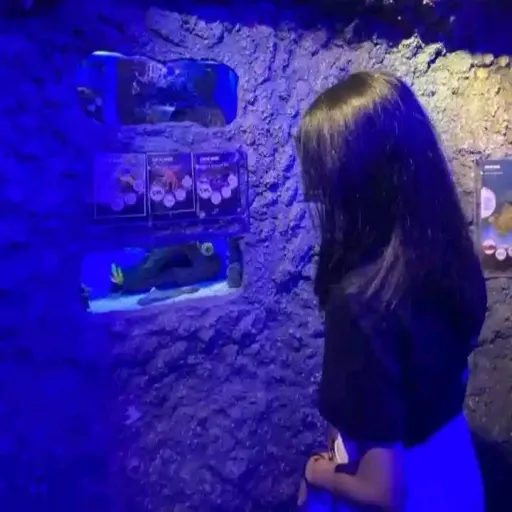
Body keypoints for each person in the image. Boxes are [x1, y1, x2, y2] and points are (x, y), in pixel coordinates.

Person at [294, 71, 487, 511]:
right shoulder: (452, 261)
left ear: (355, 181)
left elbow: (380, 490)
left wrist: (315, 471)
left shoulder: (361, 303)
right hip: (455, 469)